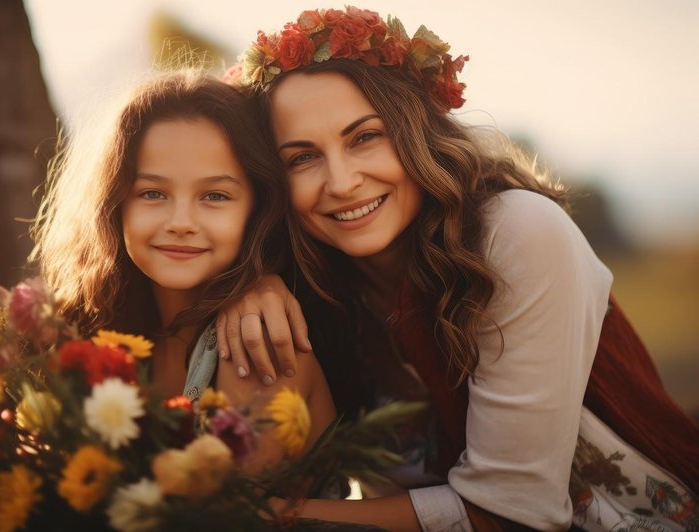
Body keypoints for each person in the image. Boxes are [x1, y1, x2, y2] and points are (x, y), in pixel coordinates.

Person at [216, 7, 699, 531]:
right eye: (301, 158)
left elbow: (510, 513)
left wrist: (259, 521)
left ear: (416, 132)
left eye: (365, 137)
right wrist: (252, 282)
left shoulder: (516, 233)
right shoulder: (307, 286)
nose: (342, 182)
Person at [29, 70, 335, 468]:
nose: (181, 221)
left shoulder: (258, 348)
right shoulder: (98, 331)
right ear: (114, 205)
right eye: (152, 193)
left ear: (256, 211)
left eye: (215, 195)